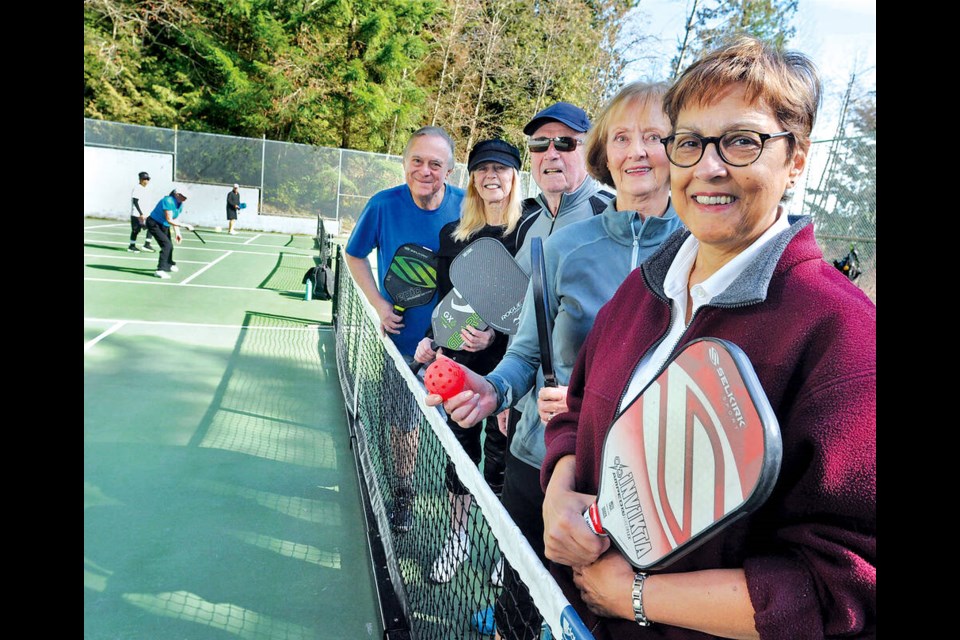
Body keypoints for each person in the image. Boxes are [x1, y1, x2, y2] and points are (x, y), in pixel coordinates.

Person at [538, 37, 876, 639]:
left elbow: (840, 587)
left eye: (743, 141)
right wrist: (559, 492)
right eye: (690, 143)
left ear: (795, 158)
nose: (708, 167)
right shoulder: (642, 291)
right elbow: (577, 410)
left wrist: (636, 596)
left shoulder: (844, 335)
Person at [428, 85, 682, 640]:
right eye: (623, 139)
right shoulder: (560, 244)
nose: (638, 152)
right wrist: (495, 390)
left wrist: (587, 402)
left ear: (682, 146)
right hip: (535, 459)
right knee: (519, 600)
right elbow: (526, 348)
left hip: (638, 480)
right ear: (607, 153)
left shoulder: (700, 250)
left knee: (601, 614)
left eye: (655, 137)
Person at [411, 139, 523, 585]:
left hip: (506, 374)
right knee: (458, 453)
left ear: (515, 175)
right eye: (482, 170)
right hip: (457, 367)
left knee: (501, 462)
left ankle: (502, 547)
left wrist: (497, 336)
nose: (490, 176)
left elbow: (530, 308)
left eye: (501, 168)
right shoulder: (452, 236)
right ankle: (457, 537)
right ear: (472, 179)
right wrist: (429, 341)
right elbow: (445, 303)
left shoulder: (529, 231)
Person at [344, 126, 465, 534]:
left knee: (463, 436)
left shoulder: (470, 208)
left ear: (449, 170)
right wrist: (379, 304)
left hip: (456, 349)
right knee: (403, 427)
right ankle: (404, 494)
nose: (425, 170)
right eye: (417, 160)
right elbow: (355, 254)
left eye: (436, 163)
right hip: (401, 346)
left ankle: (460, 522)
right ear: (404, 163)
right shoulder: (382, 205)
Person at [145, 186, 194, 279]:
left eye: (186, 197)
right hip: (154, 223)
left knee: (169, 245)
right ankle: (160, 270)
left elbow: (175, 218)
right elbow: (169, 219)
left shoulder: (180, 203)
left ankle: (169, 264)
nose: (185, 199)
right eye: (183, 196)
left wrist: (178, 233)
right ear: (177, 194)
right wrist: (185, 225)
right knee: (166, 245)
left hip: (164, 225)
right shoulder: (168, 201)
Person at [128, 171, 156, 253]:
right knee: (135, 230)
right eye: (144, 179)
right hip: (137, 214)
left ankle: (147, 245)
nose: (146, 181)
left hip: (146, 214)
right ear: (140, 179)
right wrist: (141, 214)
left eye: (147, 179)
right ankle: (131, 246)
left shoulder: (148, 188)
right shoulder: (137, 188)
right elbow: (135, 201)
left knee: (152, 227)